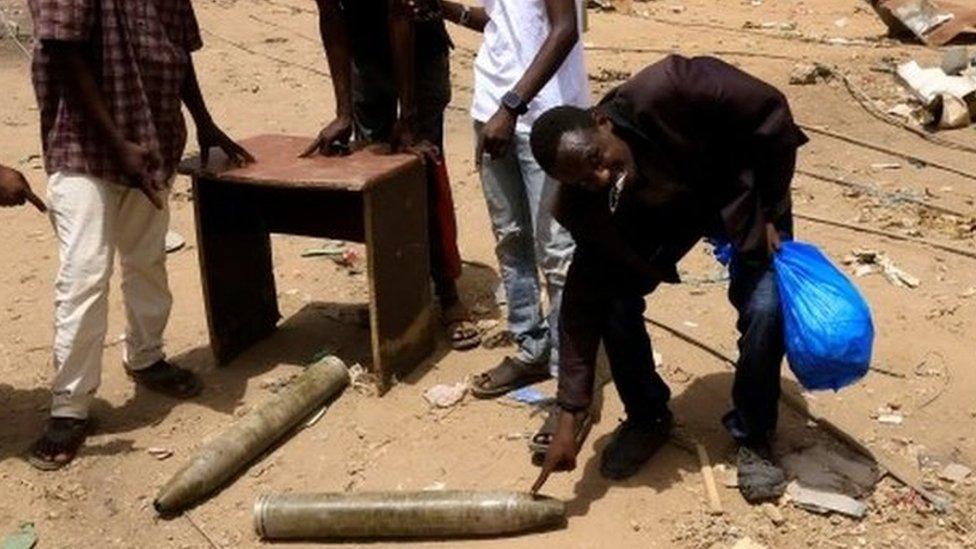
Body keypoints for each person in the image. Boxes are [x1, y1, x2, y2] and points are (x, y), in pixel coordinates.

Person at [528, 55, 809, 504]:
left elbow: (771, 111)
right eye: (583, 181)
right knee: (615, 305)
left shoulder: (671, 87)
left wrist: (773, 208)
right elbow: (581, 305)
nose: (600, 179)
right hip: (664, 218)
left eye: (598, 160)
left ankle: (754, 435)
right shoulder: (583, 203)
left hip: (739, 194)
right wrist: (570, 412)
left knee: (765, 305)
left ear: (602, 122)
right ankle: (647, 417)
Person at [27, 0, 253, 470]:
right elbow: (63, 52)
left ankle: (146, 356)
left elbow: (179, 55)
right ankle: (70, 407)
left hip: (153, 141)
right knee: (85, 274)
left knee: (147, 257)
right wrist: (118, 145)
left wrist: (204, 123)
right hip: (84, 148)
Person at [305, 0, 481, 351]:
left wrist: (409, 116)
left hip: (421, 55)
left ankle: (447, 293)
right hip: (367, 60)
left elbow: (399, 12)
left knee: (425, 174)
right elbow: (331, 17)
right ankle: (395, 295)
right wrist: (343, 112)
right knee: (378, 182)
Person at [435, 0, 588, 399]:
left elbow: (564, 29)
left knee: (557, 251)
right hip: (493, 109)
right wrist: (448, 11)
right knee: (511, 237)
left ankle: (567, 380)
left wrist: (512, 105)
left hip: (547, 119)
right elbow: (504, 22)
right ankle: (531, 348)